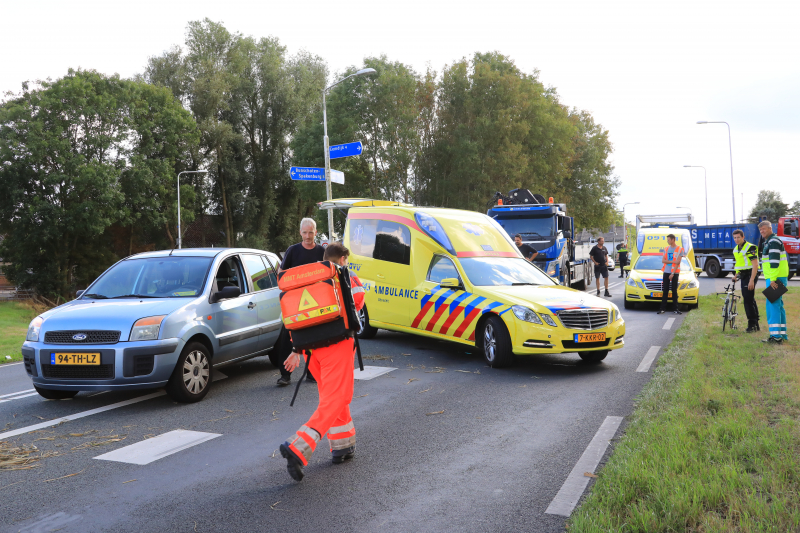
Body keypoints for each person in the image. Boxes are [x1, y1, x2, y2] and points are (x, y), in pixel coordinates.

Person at [280, 242, 365, 481]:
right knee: (339, 397)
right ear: (341, 259)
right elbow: (358, 299)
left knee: (331, 397)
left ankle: (342, 446)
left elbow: (293, 316)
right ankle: (298, 447)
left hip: (311, 350)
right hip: (337, 344)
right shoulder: (341, 274)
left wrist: (296, 350)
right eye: (346, 261)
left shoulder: (305, 278)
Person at [275, 218, 326, 386]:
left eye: (311, 232)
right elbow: (281, 275)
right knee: (287, 338)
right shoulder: (292, 251)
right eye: (305, 232)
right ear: (300, 233)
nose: (308, 236)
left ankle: (312, 373)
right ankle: (285, 375)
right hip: (294, 303)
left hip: (316, 303)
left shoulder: (321, 252)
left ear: (316, 233)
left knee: (314, 338)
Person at [759, 221, 789, 344]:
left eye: (764, 229)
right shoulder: (771, 241)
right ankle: (781, 335)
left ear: (771, 228)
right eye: (760, 230)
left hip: (775, 278)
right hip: (776, 277)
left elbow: (774, 263)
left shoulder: (773, 242)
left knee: (773, 306)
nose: (762, 231)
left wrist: (772, 280)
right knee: (778, 305)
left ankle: (776, 337)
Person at [731, 229, 760, 333]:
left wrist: (751, 280)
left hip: (750, 274)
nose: (736, 239)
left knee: (747, 300)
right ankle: (755, 323)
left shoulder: (750, 247)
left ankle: (752, 325)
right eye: (735, 237)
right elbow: (739, 264)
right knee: (749, 298)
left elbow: (755, 265)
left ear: (743, 237)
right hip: (743, 275)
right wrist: (735, 276)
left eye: (738, 237)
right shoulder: (735, 249)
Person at [658, 234, 685, 315]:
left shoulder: (680, 249)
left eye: (669, 240)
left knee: (674, 290)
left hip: (675, 272)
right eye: (667, 240)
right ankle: (662, 309)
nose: (668, 241)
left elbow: (678, 262)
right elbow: (663, 260)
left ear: (673, 239)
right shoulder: (666, 249)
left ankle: (675, 309)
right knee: (665, 290)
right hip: (666, 272)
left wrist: (672, 273)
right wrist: (673, 261)